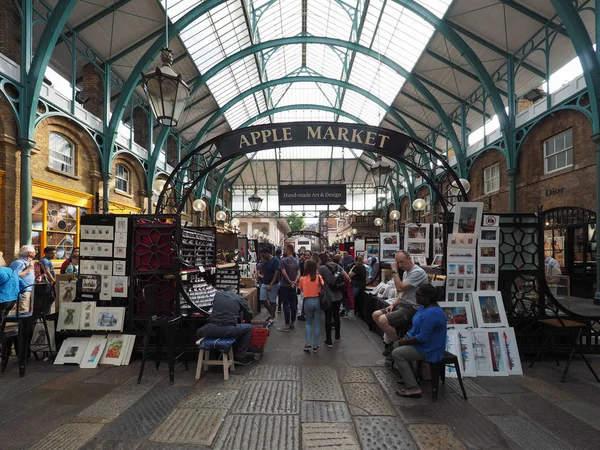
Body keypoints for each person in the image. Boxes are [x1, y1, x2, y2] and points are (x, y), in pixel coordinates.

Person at [392, 283, 447, 398]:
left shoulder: (432, 313)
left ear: (427, 298)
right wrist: (406, 337)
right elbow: (416, 327)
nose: (415, 297)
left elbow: (422, 338)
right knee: (396, 345)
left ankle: (413, 388)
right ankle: (411, 376)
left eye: (418, 295)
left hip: (430, 348)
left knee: (397, 353)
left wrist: (406, 342)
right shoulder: (424, 307)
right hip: (423, 343)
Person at [372, 250, 428, 356]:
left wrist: (394, 271)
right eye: (398, 263)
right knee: (375, 315)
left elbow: (399, 287)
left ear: (409, 258)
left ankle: (395, 346)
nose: (399, 265)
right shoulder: (407, 272)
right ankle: (395, 342)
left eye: (401, 262)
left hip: (413, 307)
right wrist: (393, 304)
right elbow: (402, 293)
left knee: (383, 319)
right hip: (403, 304)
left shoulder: (417, 272)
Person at [196, 289, 254, 365]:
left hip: (211, 329)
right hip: (228, 330)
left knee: (199, 332)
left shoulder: (217, 295)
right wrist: (246, 321)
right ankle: (240, 356)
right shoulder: (239, 298)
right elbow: (249, 314)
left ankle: (207, 354)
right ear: (234, 291)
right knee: (249, 328)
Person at [318, 252, 349, 348]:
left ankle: (329, 340)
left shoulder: (321, 268)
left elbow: (317, 281)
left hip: (327, 296)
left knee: (328, 317)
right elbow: (347, 277)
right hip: (338, 295)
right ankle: (337, 335)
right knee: (336, 316)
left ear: (322, 260)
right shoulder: (338, 266)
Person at [298, 259, 324, 353]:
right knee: (317, 324)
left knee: (308, 323)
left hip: (307, 301)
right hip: (317, 301)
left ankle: (308, 343)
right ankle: (316, 346)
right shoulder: (319, 277)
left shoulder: (302, 278)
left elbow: (300, 288)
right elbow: (323, 286)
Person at [278, 244, 300, 332]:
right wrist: (294, 282)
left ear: (288, 250)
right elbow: (298, 273)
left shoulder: (283, 261)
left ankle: (286, 325)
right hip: (293, 286)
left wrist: (289, 281)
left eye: (285, 249)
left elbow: (283, 273)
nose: (284, 250)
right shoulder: (296, 261)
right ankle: (292, 323)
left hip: (285, 285)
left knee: (286, 305)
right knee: (293, 305)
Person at [9, 245, 36, 313]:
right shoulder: (18, 263)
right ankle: (22, 323)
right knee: (23, 311)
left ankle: (27, 323)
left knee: (29, 311)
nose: (35, 253)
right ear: (29, 253)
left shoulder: (29, 262)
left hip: (30, 289)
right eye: (34, 252)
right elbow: (15, 276)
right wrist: (28, 269)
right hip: (23, 290)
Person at [258, 247, 280, 321]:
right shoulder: (265, 260)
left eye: (263, 255)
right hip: (265, 282)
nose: (263, 257)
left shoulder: (275, 260)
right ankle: (272, 313)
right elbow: (263, 271)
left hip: (273, 283)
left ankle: (272, 317)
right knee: (262, 299)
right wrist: (261, 264)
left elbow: (277, 273)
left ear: (267, 253)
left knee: (272, 301)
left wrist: (271, 283)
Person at [39, 246, 57, 314]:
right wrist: (54, 280)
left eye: (55, 253)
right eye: (52, 253)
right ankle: (45, 314)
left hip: (49, 283)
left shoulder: (47, 260)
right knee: (49, 298)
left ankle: (46, 313)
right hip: (47, 283)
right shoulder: (45, 261)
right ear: (46, 253)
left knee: (49, 299)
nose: (54, 255)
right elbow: (47, 272)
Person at [275, 248, 283, 312]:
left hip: (274, 279)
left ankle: (274, 304)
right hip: (280, 279)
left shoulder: (274, 259)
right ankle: (279, 306)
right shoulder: (281, 260)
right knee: (280, 294)